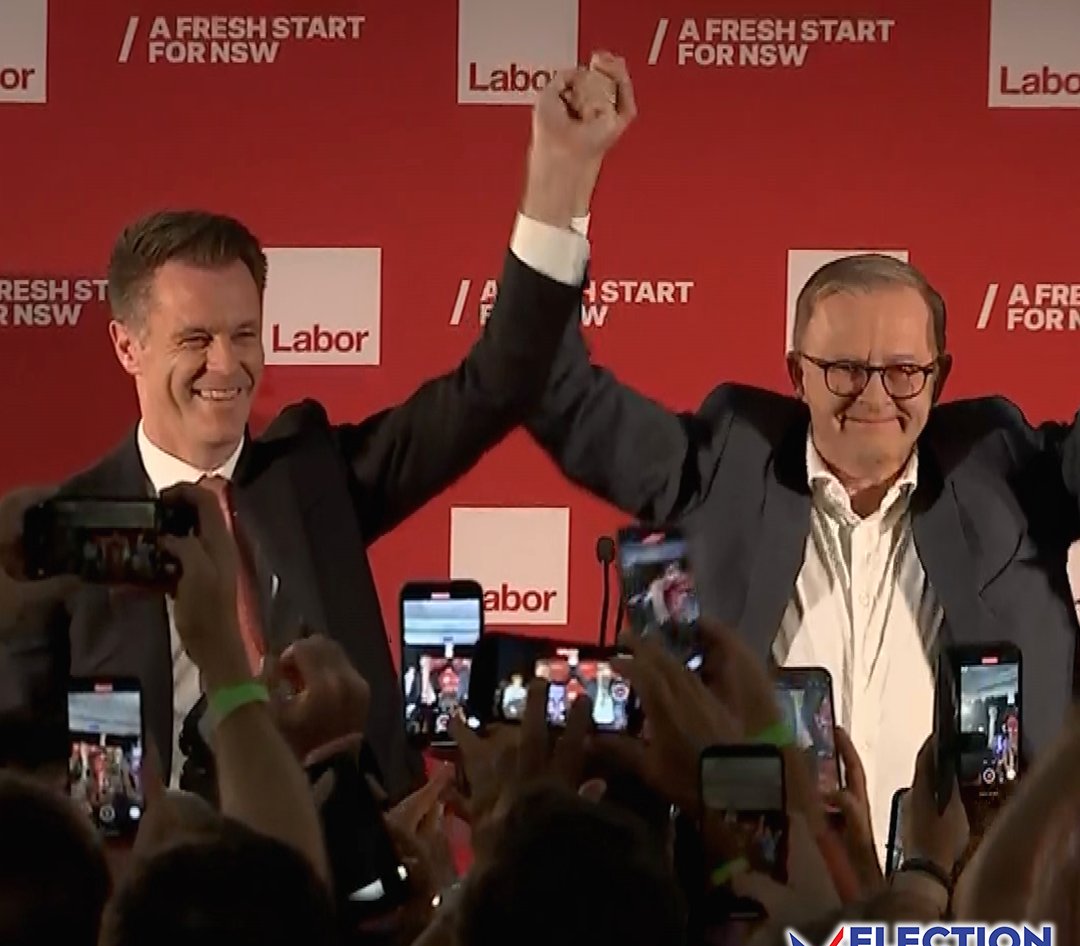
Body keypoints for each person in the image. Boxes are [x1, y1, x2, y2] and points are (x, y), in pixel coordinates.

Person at [0, 66, 628, 799]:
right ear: (126, 346)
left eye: (244, 334)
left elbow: (497, 384)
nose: (227, 365)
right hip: (166, 860)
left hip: (345, 852)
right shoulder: (61, 532)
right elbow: (22, 776)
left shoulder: (312, 477)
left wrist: (560, 177)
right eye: (195, 339)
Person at [518, 55, 1080, 846]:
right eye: (845, 369)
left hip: (977, 899)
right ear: (796, 374)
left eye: (905, 371)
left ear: (941, 376)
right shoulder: (726, 461)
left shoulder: (1003, 465)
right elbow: (555, 393)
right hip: (763, 895)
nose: (876, 396)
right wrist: (560, 182)